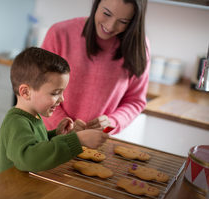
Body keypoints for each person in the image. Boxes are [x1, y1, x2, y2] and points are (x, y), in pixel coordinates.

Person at [41, 0, 150, 135]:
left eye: (123, 21)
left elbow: (135, 101)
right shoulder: (59, 33)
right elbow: (40, 90)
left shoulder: (139, 47)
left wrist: (111, 124)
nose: (110, 26)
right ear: (96, 4)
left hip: (99, 142)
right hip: (49, 137)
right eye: (106, 13)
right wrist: (63, 124)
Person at [0, 47, 107, 174]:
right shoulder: (16, 123)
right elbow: (29, 159)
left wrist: (57, 135)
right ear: (26, 92)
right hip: (13, 191)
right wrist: (77, 140)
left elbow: (36, 144)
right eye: (55, 93)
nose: (62, 99)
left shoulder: (33, 116)